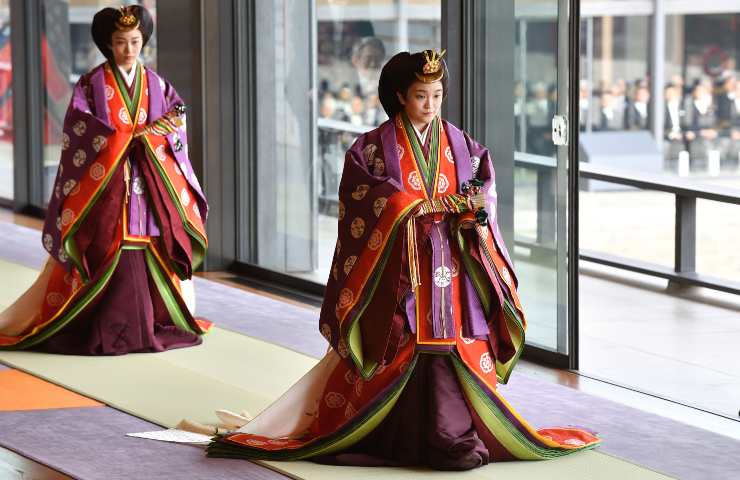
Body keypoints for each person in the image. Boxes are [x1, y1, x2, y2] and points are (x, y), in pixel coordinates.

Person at [205, 50, 600, 470]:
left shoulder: (462, 146)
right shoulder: (373, 149)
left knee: (455, 345)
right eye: (420, 96)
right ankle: (391, 434)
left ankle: (452, 433)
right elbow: (362, 197)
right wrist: (410, 207)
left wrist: (472, 210)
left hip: (452, 264)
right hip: (400, 270)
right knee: (398, 344)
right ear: (400, 96)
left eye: (437, 95)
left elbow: (483, 190)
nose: (430, 105)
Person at [0, 5, 210, 354]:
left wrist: (158, 135)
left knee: (148, 249)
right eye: (121, 42)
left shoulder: (157, 85)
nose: (129, 49)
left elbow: (176, 125)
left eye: (135, 41)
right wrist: (123, 140)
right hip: (107, 186)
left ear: (143, 42)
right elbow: (80, 130)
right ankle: (99, 325)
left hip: (148, 184)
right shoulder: (91, 85)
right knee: (103, 249)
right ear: (108, 44)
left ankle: (147, 323)